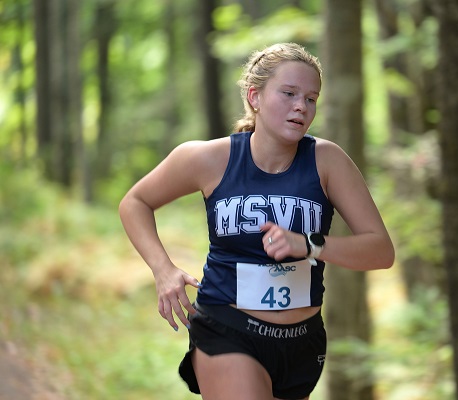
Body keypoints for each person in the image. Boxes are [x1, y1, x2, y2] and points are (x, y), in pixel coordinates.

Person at [119, 42, 395, 400]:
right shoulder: (209, 158)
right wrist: (163, 269)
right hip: (228, 330)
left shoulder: (327, 161)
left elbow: (381, 250)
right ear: (255, 97)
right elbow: (135, 202)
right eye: (289, 93)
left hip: (302, 341)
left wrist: (309, 244)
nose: (301, 106)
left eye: (311, 98)